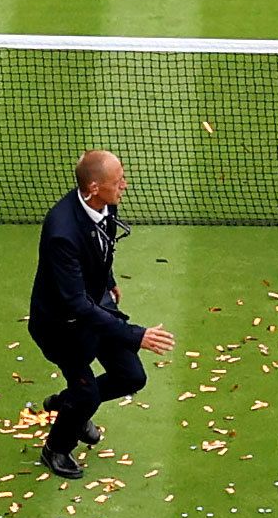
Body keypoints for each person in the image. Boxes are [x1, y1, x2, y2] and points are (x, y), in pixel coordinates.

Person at [28, 150, 176, 479]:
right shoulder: (61, 233)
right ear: (94, 187)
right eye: (117, 181)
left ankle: (68, 405)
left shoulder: (104, 204)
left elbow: (102, 246)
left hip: (95, 305)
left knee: (131, 377)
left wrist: (107, 280)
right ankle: (56, 448)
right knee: (87, 393)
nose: (124, 185)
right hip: (61, 326)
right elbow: (75, 305)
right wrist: (138, 335)